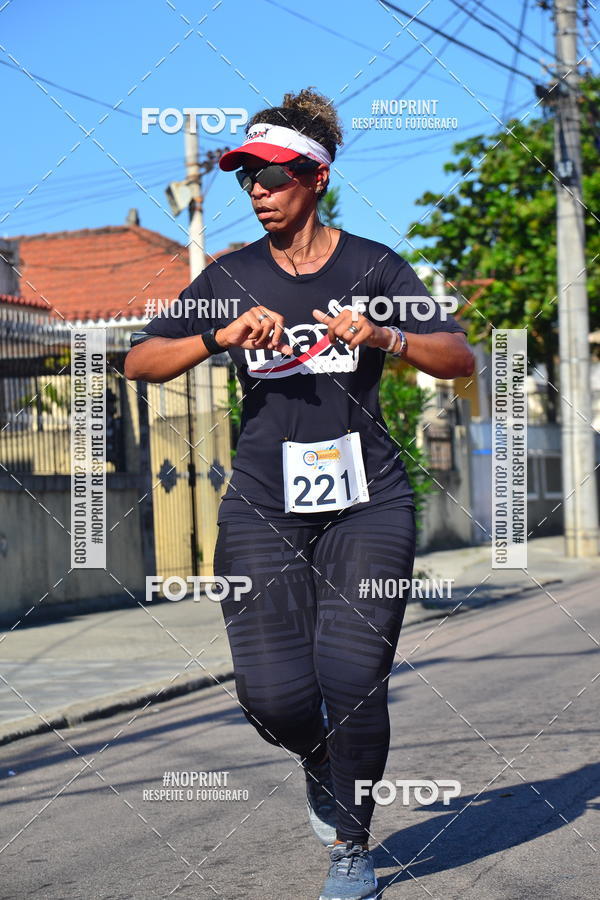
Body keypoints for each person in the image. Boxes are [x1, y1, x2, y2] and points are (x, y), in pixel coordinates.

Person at [125, 86, 474, 900]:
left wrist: (386, 334)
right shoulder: (230, 275)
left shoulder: (373, 267)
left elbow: (458, 357)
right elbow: (139, 362)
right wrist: (217, 335)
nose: (257, 189)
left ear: (316, 178)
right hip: (264, 502)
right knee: (273, 697)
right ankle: (321, 759)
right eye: (246, 176)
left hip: (368, 499)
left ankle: (351, 845)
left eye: (274, 175)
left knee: (353, 675)